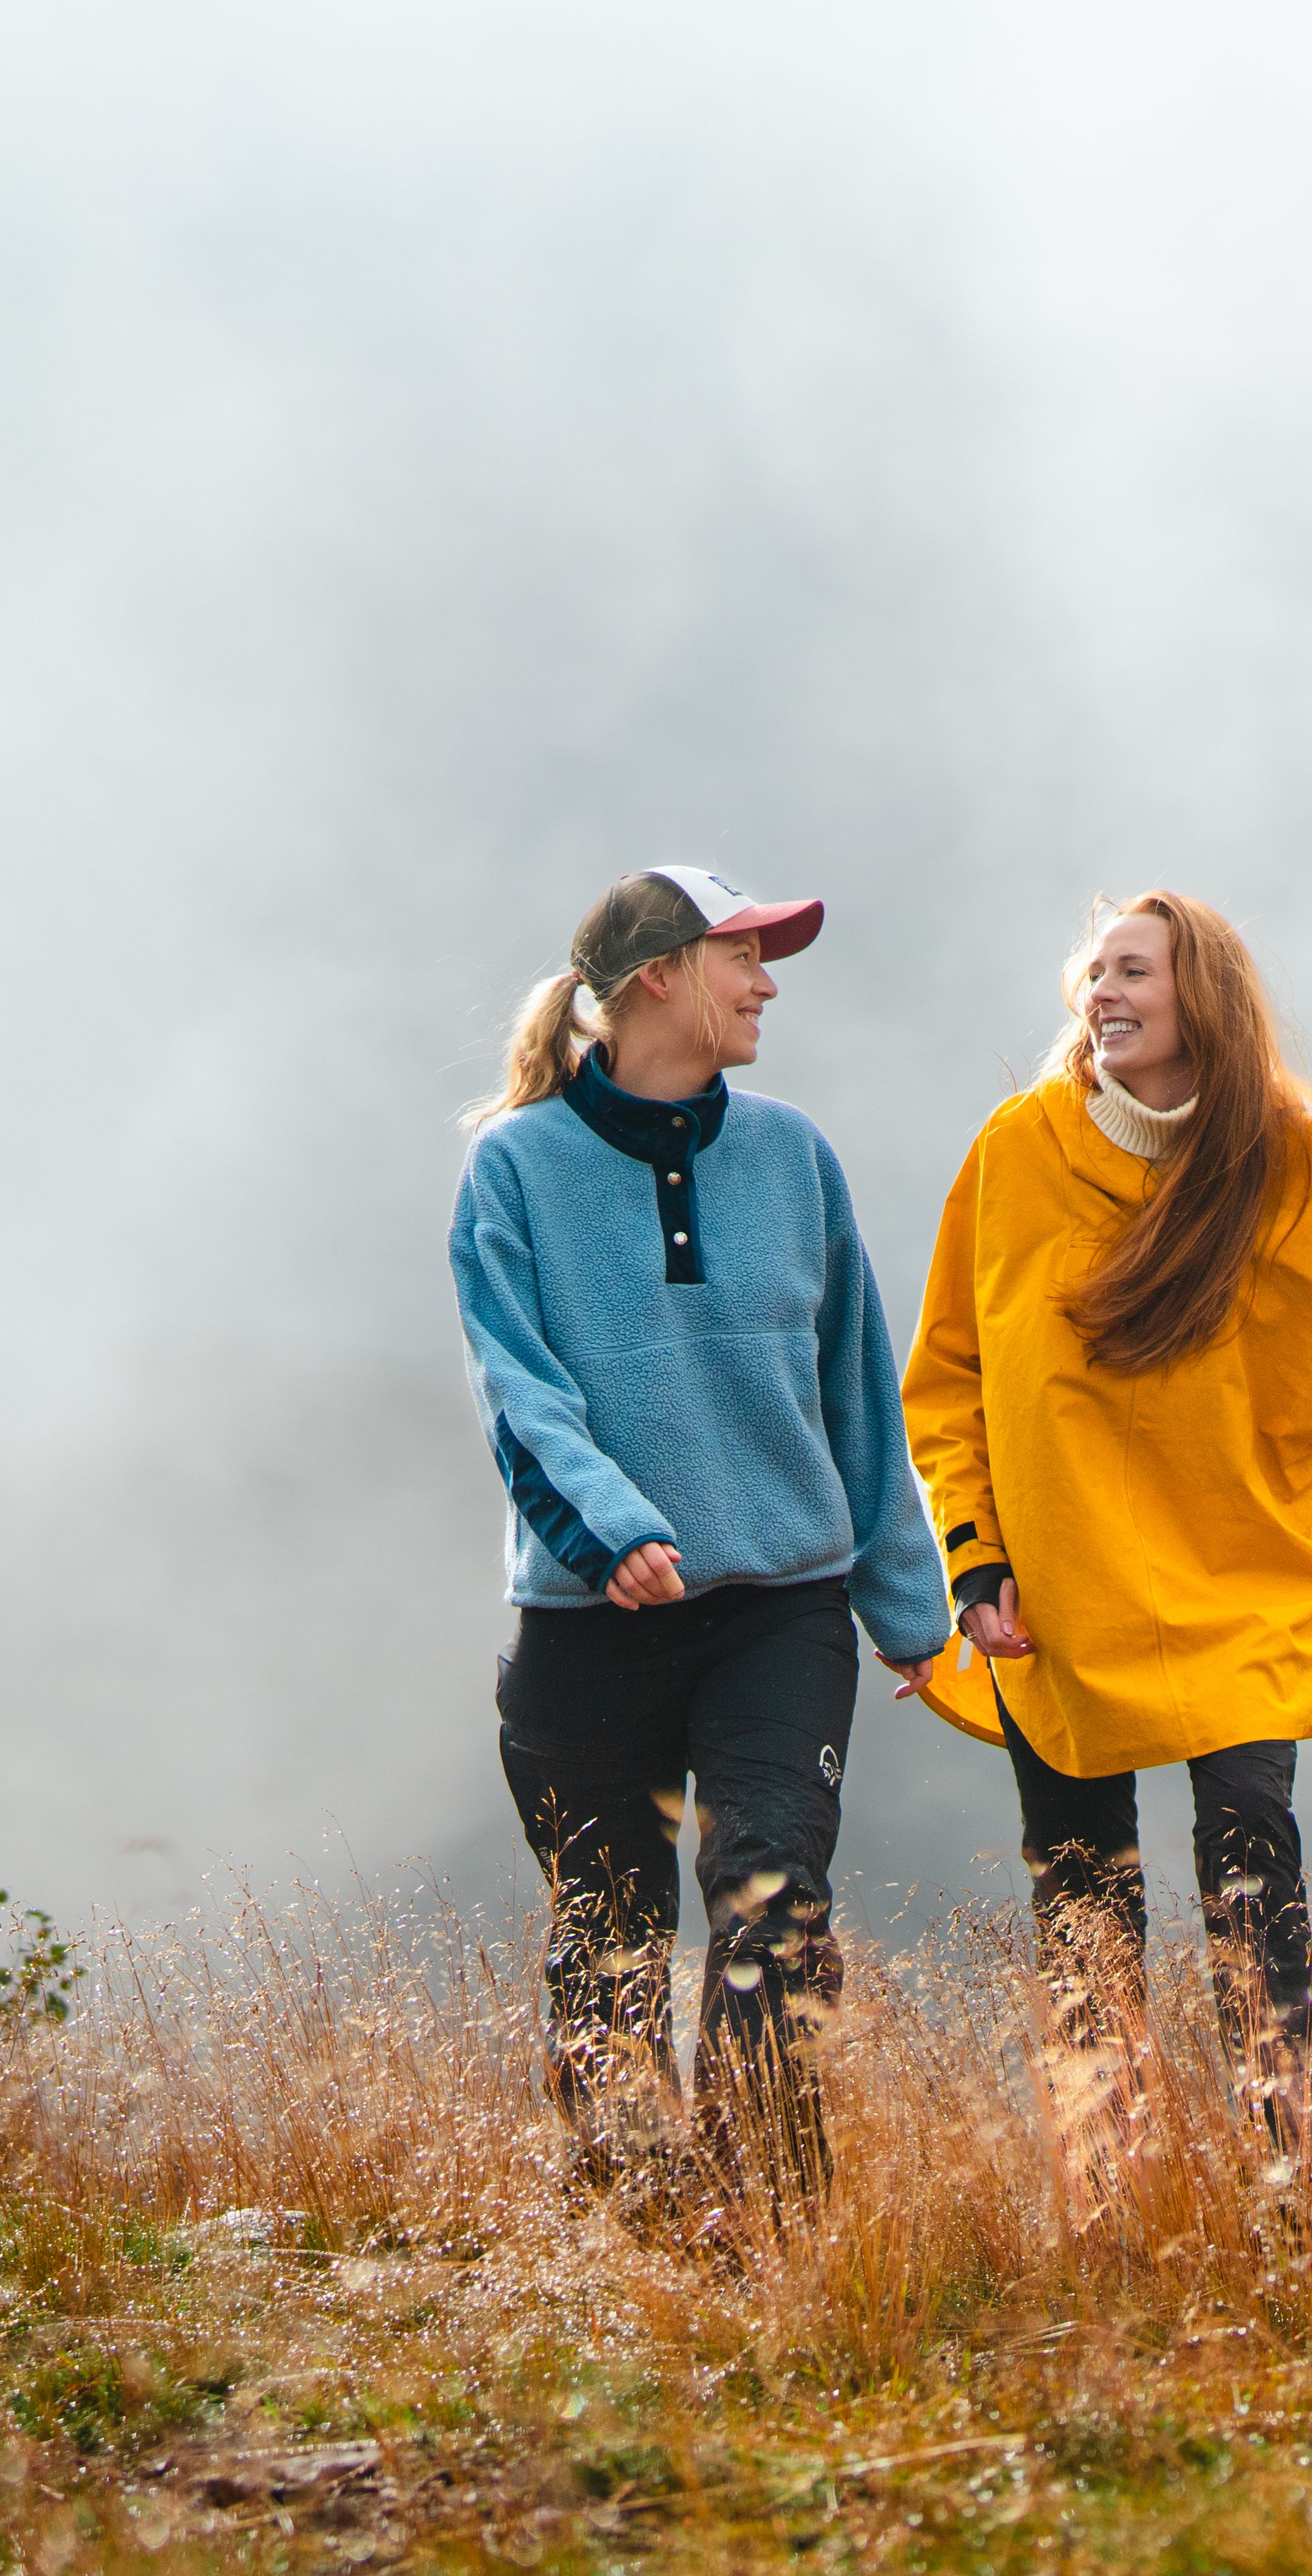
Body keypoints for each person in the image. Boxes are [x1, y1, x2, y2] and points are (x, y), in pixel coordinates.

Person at [904, 890, 1312, 2110]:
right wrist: (972, 1556)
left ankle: (1285, 2167)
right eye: (1095, 972)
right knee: (1082, 1895)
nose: (1102, 993)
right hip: (1061, 1582)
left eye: (1134, 971)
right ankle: (1116, 2183)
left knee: (1253, 1861)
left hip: (1243, 1568)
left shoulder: (1299, 1160)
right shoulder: (1017, 1150)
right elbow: (948, 1379)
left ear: (1201, 997)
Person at [451, 865, 950, 2209]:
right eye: (745, 954)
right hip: (585, 1621)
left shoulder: (793, 1154)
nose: (768, 982)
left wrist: (915, 1613)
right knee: (606, 1949)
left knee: (774, 1906)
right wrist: (608, 1527)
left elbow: (857, 1384)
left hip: (780, 1604)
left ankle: (771, 2237)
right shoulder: (515, 1166)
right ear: (660, 973)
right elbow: (520, 1386)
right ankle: (648, 2245)